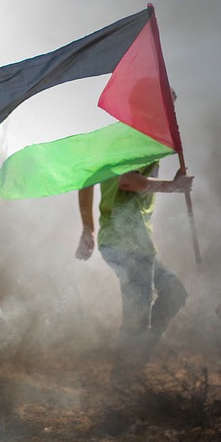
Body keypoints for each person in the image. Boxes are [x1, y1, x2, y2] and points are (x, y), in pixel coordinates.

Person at [76, 161, 193, 383]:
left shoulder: (121, 146)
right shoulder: (141, 142)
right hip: (127, 243)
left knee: (174, 293)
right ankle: (124, 385)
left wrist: (88, 228)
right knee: (137, 321)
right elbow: (127, 181)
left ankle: (131, 370)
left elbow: (87, 178)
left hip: (133, 244)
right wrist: (172, 186)